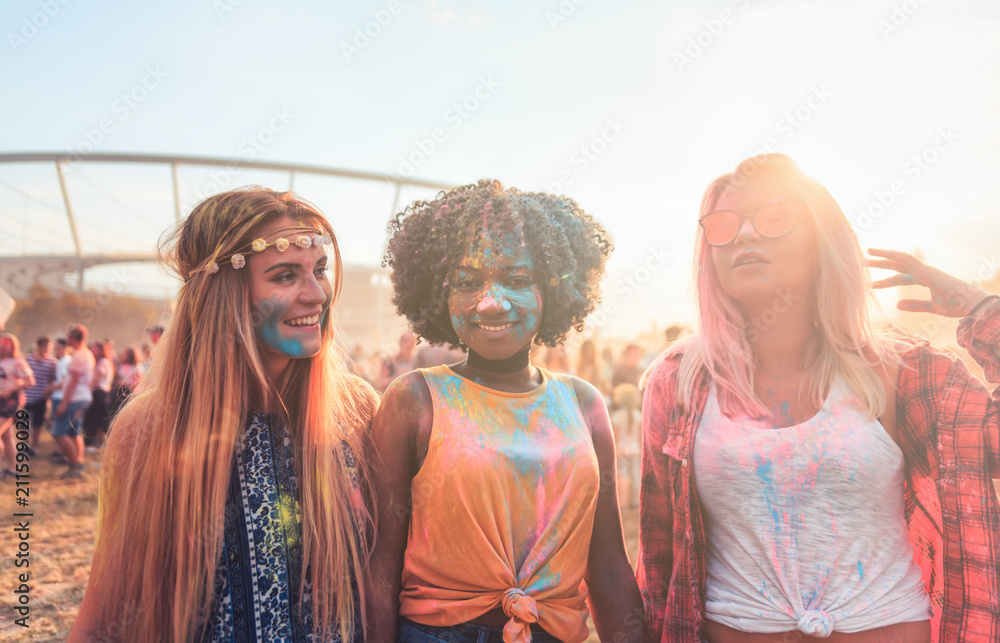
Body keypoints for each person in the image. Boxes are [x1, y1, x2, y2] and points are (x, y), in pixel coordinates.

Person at [638, 154, 1000, 643]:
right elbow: (658, 558)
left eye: (773, 217)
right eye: (723, 224)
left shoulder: (899, 370)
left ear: (819, 240)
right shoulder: (681, 380)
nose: (745, 235)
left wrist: (981, 311)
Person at [69, 188, 378, 642]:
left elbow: (383, 586)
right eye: (285, 276)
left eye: (321, 270)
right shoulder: (153, 430)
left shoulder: (357, 411)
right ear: (225, 294)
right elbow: (105, 617)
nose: (316, 295)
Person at [368, 179, 644, 643]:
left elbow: (609, 565)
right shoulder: (413, 400)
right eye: (468, 282)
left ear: (554, 290)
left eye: (517, 281)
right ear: (436, 294)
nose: (492, 302)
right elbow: (379, 568)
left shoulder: (584, 405)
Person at [52, 324, 94, 479]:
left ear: (73, 338)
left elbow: (73, 381)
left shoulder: (79, 355)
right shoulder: (86, 353)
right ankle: (78, 462)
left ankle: (75, 464)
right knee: (74, 432)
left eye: (69, 336)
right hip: (82, 397)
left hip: (75, 399)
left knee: (59, 432)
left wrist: (64, 403)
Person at [0, 333, 35, 478]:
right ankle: (12, 469)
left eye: (7, 343)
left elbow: (30, 381)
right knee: (6, 435)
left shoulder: (18, 362)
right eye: (2, 342)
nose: (4, 345)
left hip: (11, 401)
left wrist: (11, 389)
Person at [23, 336, 57, 454]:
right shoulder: (27, 359)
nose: (47, 349)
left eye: (49, 347)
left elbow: (54, 379)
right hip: (26, 396)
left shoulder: (52, 362)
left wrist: (49, 390)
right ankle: (25, 444)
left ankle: (33, 447)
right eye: (44, 346)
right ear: (38, 346)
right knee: (23, 423)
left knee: (37, 424)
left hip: (41, 397)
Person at [83, 339, 114, 452]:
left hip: (99, 393)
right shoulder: (104, 361)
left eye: (96, 349)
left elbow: (97, 376)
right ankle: (93, 443)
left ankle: (91, 443)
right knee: (100, 420)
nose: (93, 351)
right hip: (102, 394)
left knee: (100, 420)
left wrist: (89, 387)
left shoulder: (103, 362)